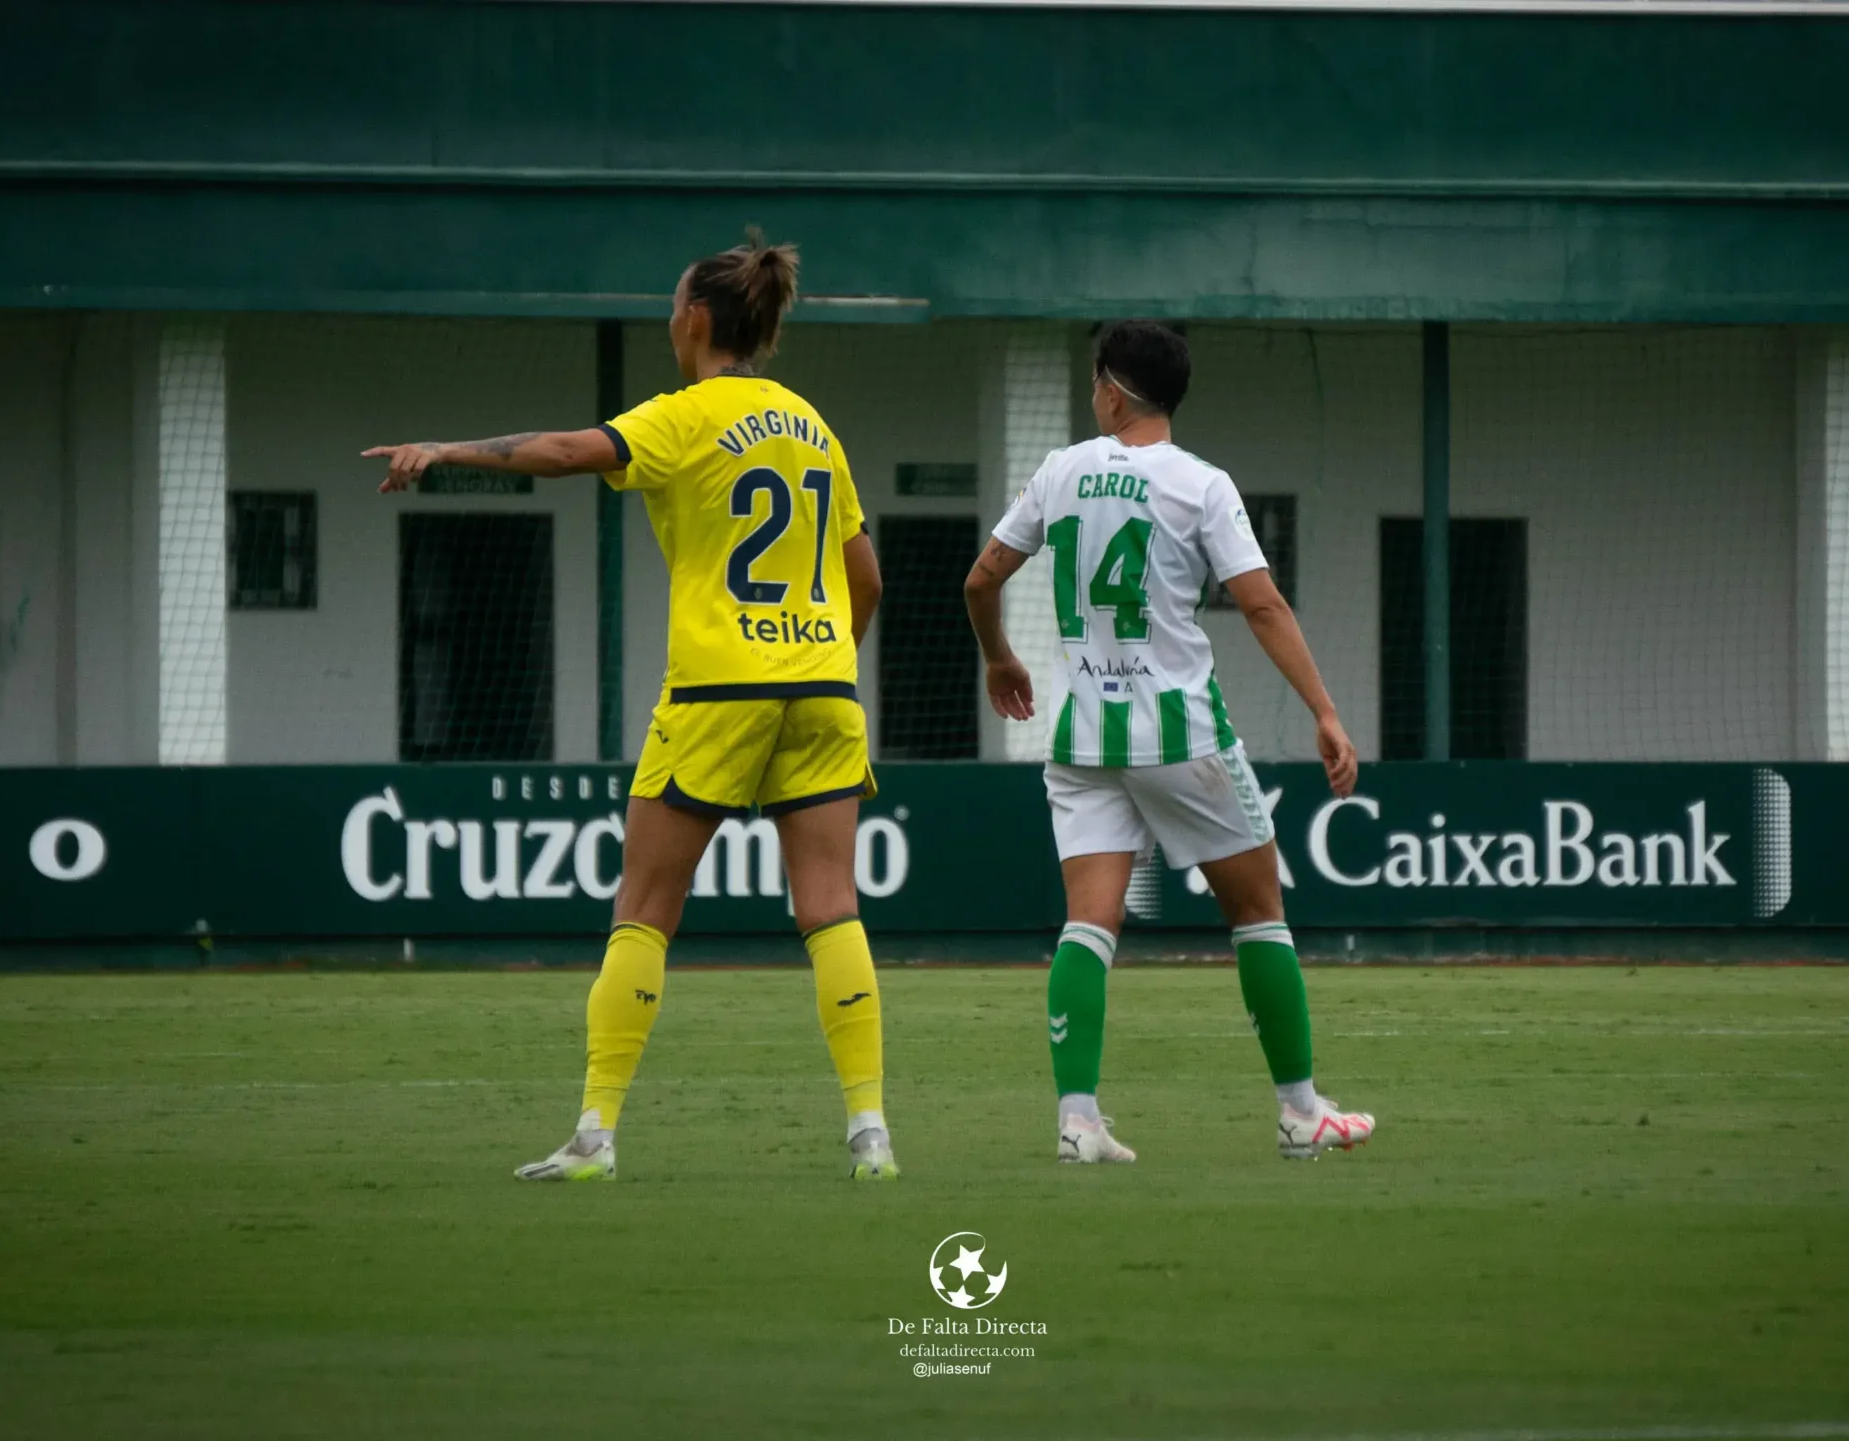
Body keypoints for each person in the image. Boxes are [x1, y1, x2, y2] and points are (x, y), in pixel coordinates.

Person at [365, 235, 897, 1181]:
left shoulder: (684, 416)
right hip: (821, 685)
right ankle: (871, 1135)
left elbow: (573, 451)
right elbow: (867, 579)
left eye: (672, 304)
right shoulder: (812, 424)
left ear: (695, 318)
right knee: (830, 907)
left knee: (646, 907)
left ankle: (595, 1136)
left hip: (717, 688)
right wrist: (817, 664)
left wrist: (446, 449)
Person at [962, 320, 1374, 1165]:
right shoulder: (1203, 485)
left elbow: (980, 578)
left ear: (1114, 390)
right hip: (1180, 731)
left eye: (1093, 382)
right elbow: (1261, 605)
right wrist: (1325, 710)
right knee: (1259, 911)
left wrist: (1000, 657)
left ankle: (1078, 1121)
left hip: (1081, 736)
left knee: (1089, 924)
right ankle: (1299, 1110)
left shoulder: (1059, 470)